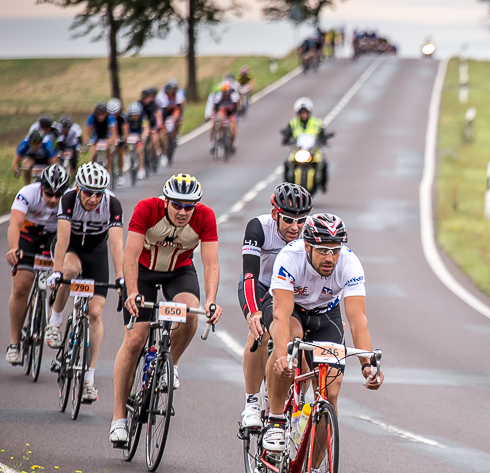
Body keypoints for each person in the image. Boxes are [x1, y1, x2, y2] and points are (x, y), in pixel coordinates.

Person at [261, 214, 383, 473]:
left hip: (325, 316)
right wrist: (282, 356)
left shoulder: (349, 264)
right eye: (323, 250)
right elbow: (281, 315)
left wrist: (367, 363)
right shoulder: (289, 258)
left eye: (335, 250)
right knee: (290, 352)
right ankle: (278, 419)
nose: (330, 257)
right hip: (290, 310)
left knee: (331, 390)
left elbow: (357, 319)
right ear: (308, 247)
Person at [109, 174, 222, 448]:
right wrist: (132, 291)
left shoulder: (205, 217)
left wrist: (210, 301)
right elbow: (130, 255)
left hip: (178, 271)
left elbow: (211, 264)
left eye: (189, 206)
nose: (183, 212)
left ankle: (170, 363)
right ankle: (118, 418)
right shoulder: (147, 208)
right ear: (166, 201)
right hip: (144, 272)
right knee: (135, 340)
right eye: (177, 205)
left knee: (189, 314)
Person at [44, 163, 124, 403]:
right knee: (69, 270)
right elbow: (63, 238)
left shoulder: (112, 204)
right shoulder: (68, 199)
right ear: (78, 188)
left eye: (99, 193)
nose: (93, 198)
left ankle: (88, 379)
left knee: (95, 314)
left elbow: (116, 244)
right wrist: (57, 272)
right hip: (72, 249)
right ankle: (55, 321)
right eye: (88, 192)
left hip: (97, 255)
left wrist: (120, 277)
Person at [238, 183, 312, 429]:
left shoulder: (309, 234)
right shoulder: (259, 227)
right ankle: (251, 403)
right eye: (289, 220)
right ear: (275, 214)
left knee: (299, 339)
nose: (295, 227)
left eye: (301, 221)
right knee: (261, 330)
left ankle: (292, 399)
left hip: (289, 292)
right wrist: (253, 312)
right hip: (259, 286)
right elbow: (249, 275)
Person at [5, 164, 71, 365]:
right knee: (22, 286)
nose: (54, 200)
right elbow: (14, 224)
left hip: (54, 237)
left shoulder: (68, 200)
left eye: (58, 195)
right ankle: (14, 343)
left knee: (63, 273)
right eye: (50, 194)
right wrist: (14, 248)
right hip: (28, 234)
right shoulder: (28, 193)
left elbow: (67, 234)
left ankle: (52, 309)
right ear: (41, 188)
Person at [280, 97, 329, 190]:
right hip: (298, 149)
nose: (303, 115)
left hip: (313, 149)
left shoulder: (316, 122)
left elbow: (322, 134)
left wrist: (323, 140)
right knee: (287, 163)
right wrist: (286, 139)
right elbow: (287, 133)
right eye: (301, 113)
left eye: (305, 112)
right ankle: (286, 185)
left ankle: (323, 184)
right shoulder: (293, 123)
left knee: (323, 163)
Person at [208, 80, 239, 154]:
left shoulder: (233, 96)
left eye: (227, 91)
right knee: (215, 123)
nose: (226, 93)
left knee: (232, 128)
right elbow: (215, 109)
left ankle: (232, 144)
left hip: (231, 114)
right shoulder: (218, 96)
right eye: (225, 91)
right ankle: (216, 140)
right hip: (222, 114)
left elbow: (235, 109)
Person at [123, 102, 150, 180]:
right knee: (125, 144)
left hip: (139, 134)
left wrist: (143, 137)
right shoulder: (127, 118)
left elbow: (146, 129)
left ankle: (141, 168)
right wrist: (126, 138)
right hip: (131, 134)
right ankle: (127, 157)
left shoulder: (143, 117)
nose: (134, 117)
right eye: (133, 115)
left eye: (136, 115)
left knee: (139, 150)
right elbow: (125, 129)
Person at [139, 88, 166, 166]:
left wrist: (158, 126)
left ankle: (159, 154)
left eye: (147, 97)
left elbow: (158, 116)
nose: (146, 99)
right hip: (143, 125)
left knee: (155, 139)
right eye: (144, 97)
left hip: (153, 125)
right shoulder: (139, 105)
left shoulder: (154, 105)